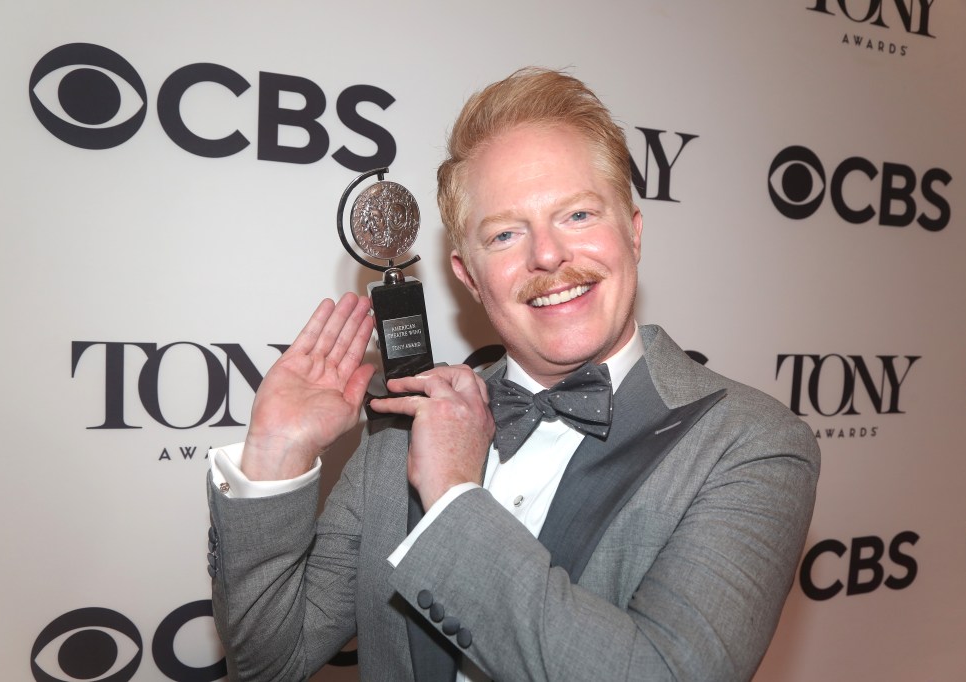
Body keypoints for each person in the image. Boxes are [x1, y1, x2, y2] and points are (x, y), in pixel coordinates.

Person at [206, 67, 820, 682]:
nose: (548, 255)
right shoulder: (403, 423)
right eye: (504, 234)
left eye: (578, 215)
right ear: (469, 277)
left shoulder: (751, 443)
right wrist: (275, 456)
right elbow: (270, 662)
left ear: (633, 234)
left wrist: (450, 496)